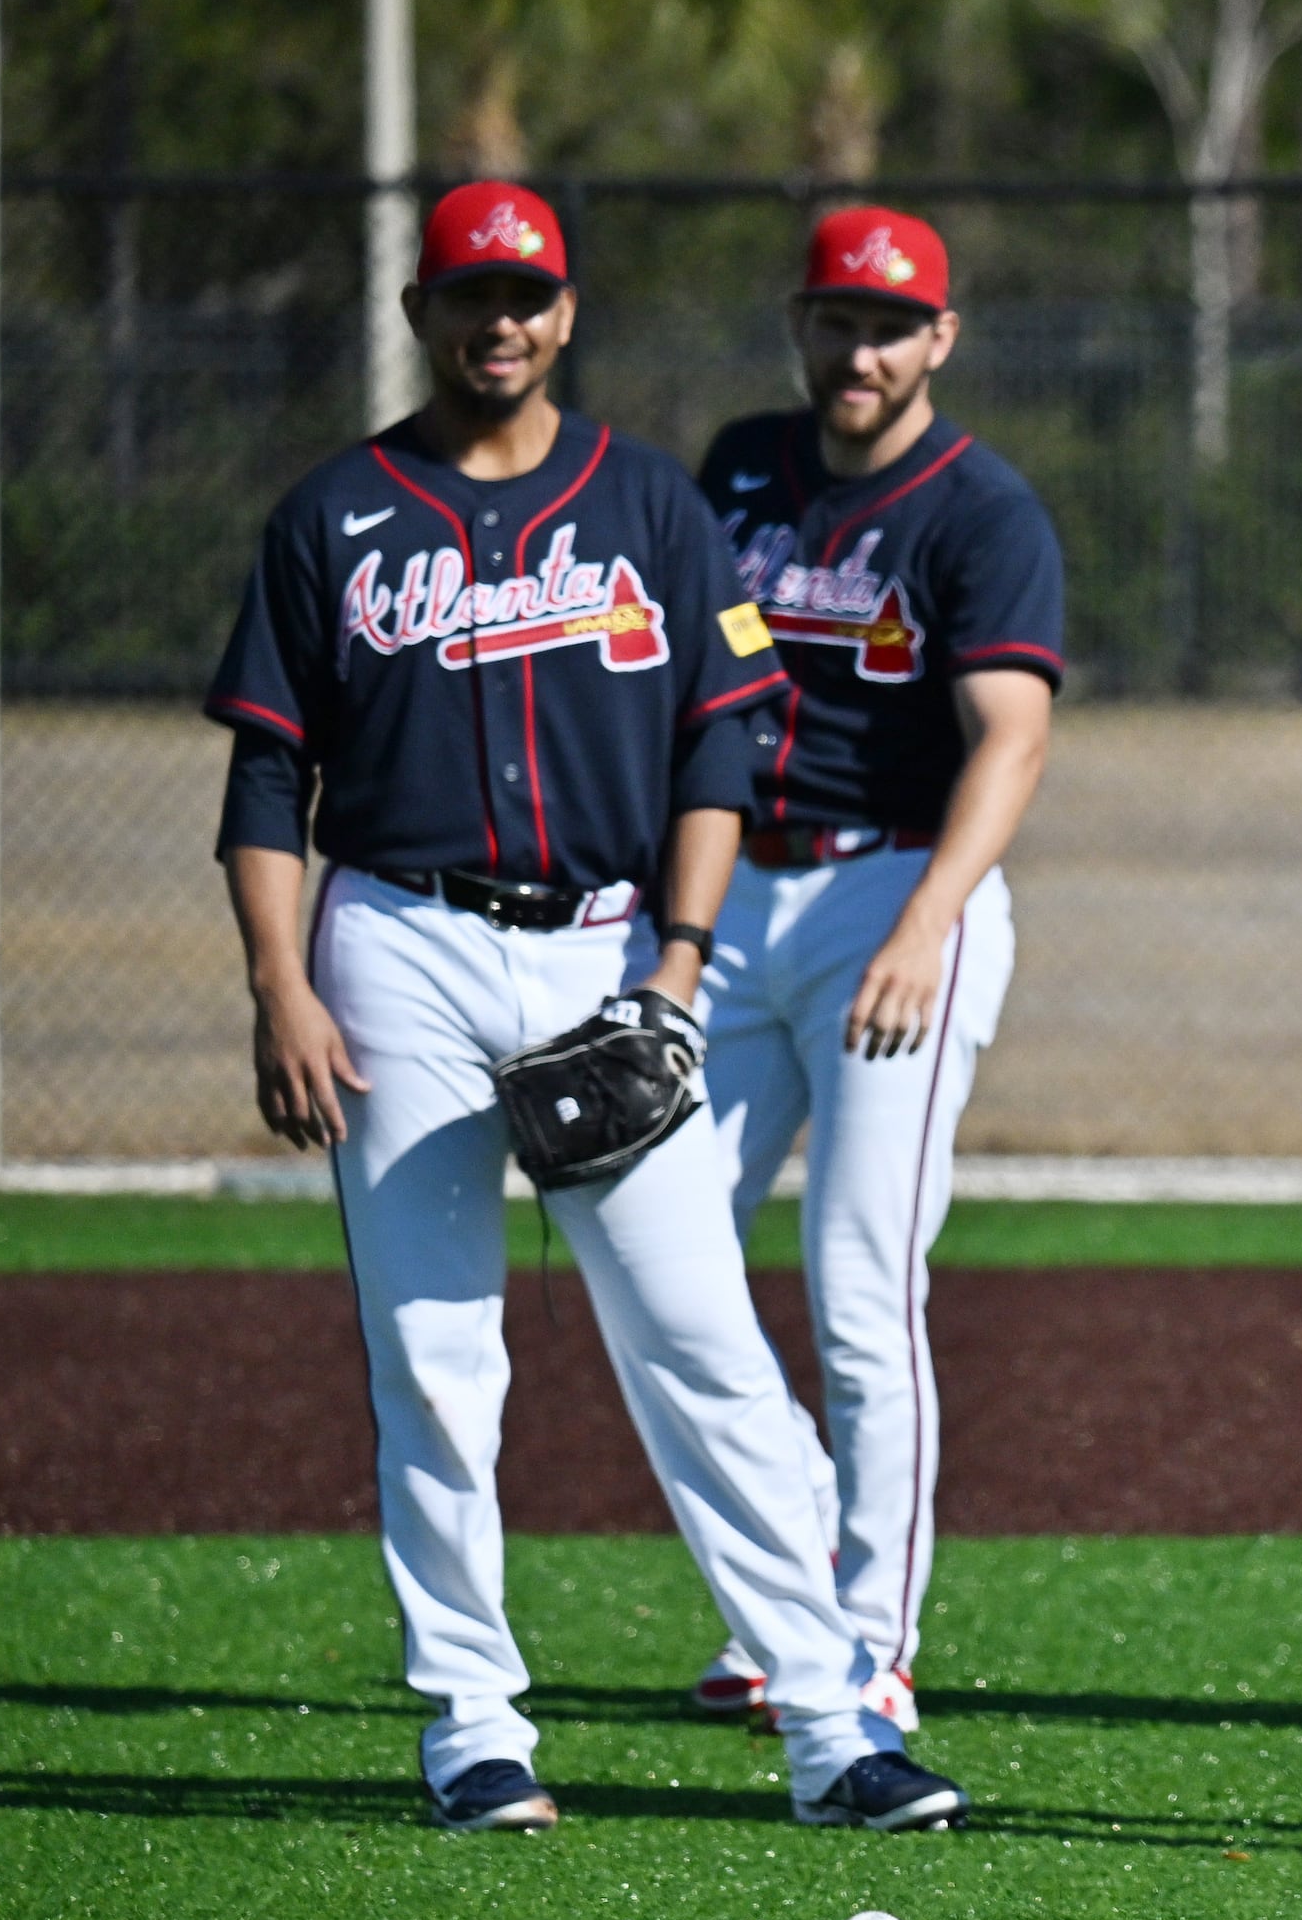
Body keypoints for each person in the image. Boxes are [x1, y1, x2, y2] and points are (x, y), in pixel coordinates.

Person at [206, 180, 965, 1835]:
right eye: (471, 290)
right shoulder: (336, 512)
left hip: (605, 951)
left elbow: (722, 735)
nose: (502, 318)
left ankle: (834, 1723)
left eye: (529, 291)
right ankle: (473, 1725)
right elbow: (270, 773)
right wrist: (279, 986)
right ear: (419, 308)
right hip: (394, 943)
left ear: (567, 309)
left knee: (703, 1338)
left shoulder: (647, 501)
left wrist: (677, 973)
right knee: (436, 1349)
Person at [681, 207, 1065, 1734]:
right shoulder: (742, 471)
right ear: (801, 322)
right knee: (677, 1273)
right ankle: (775, 1614)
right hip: (735, 895)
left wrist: (924, 925)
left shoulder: (979, 509)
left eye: (892, 323)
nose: (862, 348)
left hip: (900, 888)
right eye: (839, 318)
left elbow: (1014, 738)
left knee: (858, 1283)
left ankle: (870, 1639)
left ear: (940, 339)